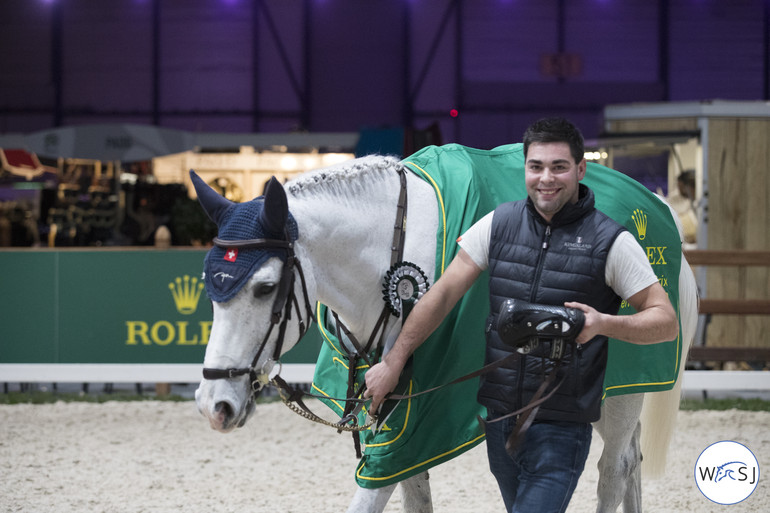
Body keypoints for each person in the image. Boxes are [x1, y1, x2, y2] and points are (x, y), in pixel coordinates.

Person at [364, 117, 678, 513]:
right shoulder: (497, 224)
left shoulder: (611, 241)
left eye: (559, 167)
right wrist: (393, 361)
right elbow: (442, 295)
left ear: (581, 170)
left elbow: (665, 322)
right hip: (500, 422)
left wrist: (603, 323)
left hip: (562, 426)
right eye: (536, 167)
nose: (546, 178)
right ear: (525, 169)